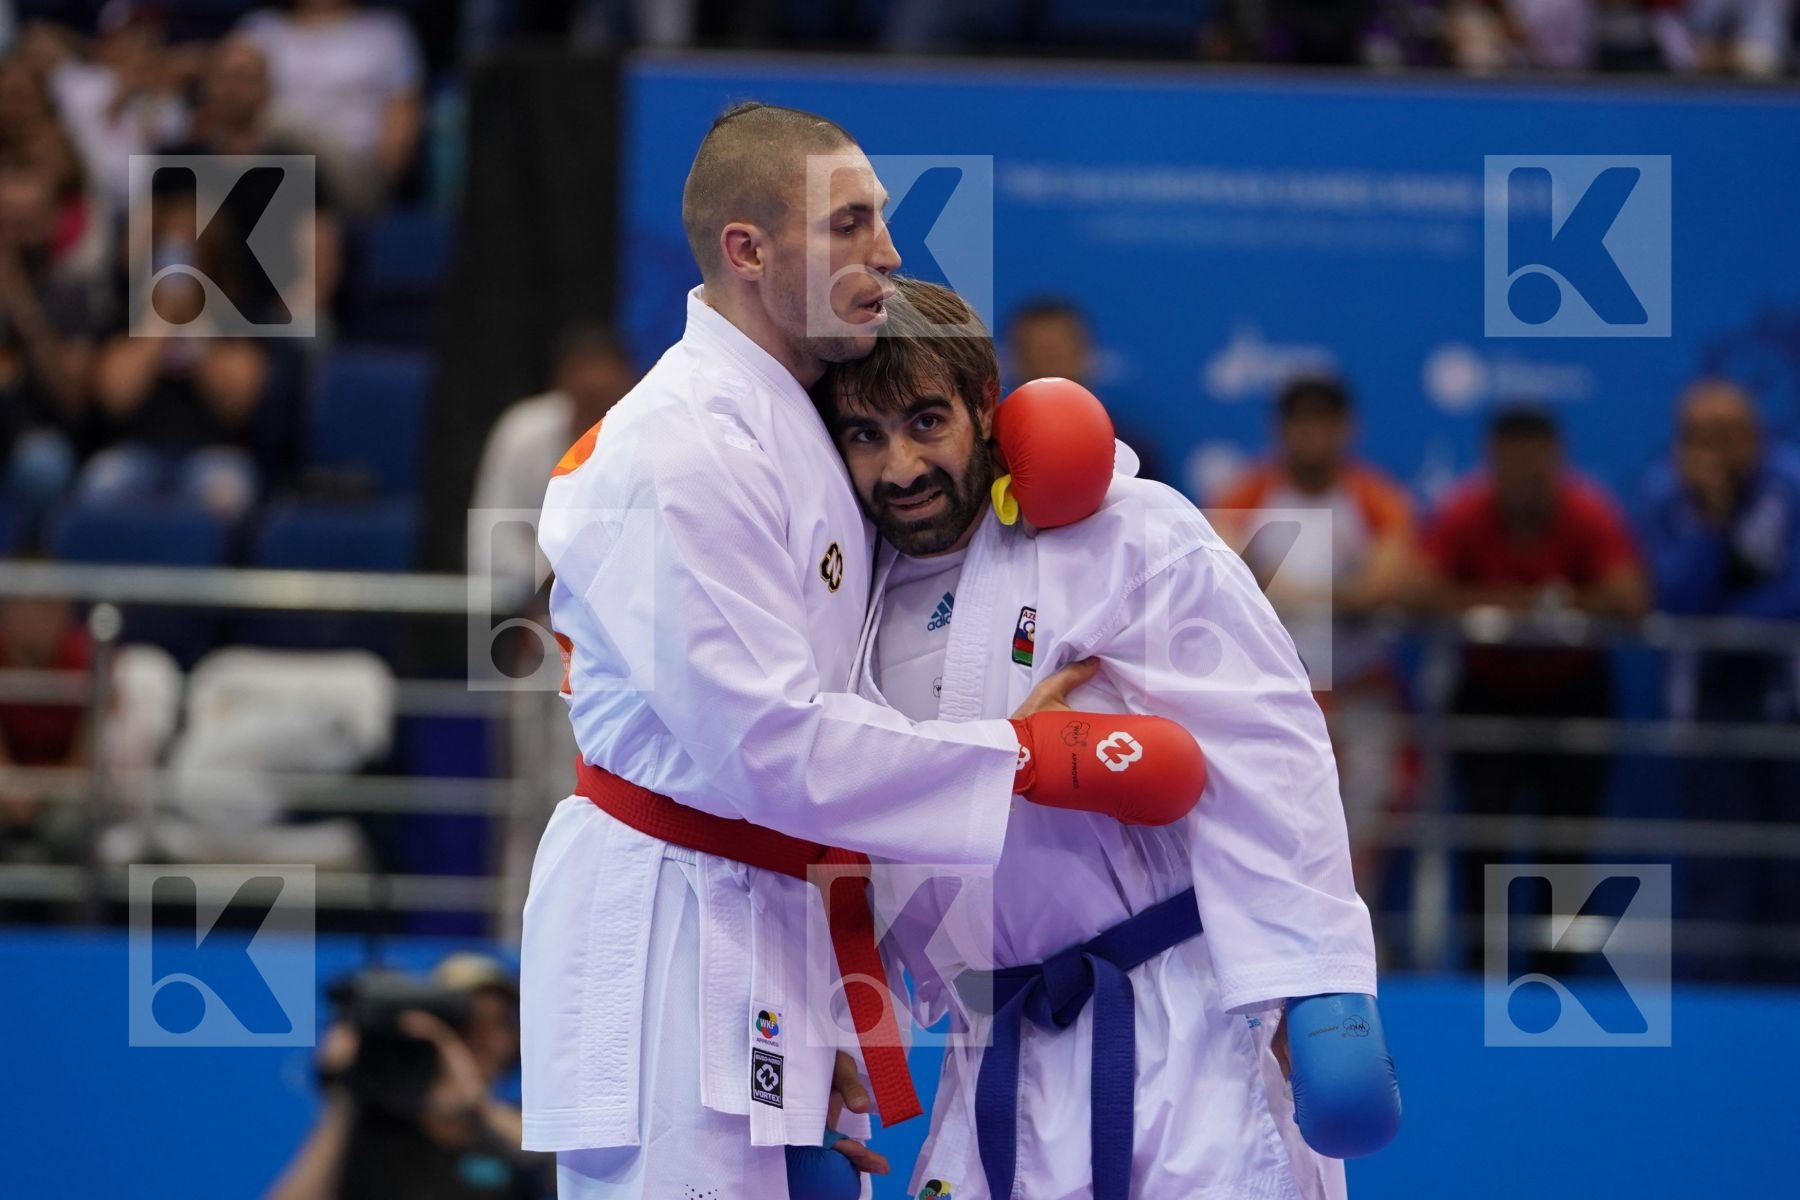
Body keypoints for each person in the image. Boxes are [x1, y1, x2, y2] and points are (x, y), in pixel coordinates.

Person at [523, 103, 1206, 1199]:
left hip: (761, 914)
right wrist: (1022, 756)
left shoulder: (792, 419)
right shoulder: (681, 448)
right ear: (749, 250)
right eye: (851, 223)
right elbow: (768, 742)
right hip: (670, 935)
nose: (888, 251)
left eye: (879, 220)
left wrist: (830, 1011)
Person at [815, 277, 1395, 1200]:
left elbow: (1266, 744)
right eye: (865, 435)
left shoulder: (1126, 535)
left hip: (1177, 1025)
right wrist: (829, 1052)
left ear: (984, 407)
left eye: (927, 422)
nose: (901, 468)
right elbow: (835, 833)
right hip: (992, 1039)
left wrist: (1314, 978)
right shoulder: (845, 593)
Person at [1417, 406, 1647, 962]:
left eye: (1534, 469)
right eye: (1511, 467)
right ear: (1492, 463)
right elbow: (1418, 593)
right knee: (1483, 840)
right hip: (1488, 694)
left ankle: (1558, 974)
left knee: (1567, 846)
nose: (1523, 480)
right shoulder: (1465, 511)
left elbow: (1632, 600)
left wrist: (1559, 603)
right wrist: (1503, 602)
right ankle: (1479, 970)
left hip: (1574, 693)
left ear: (1556, 462)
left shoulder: (1588, 512)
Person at [1212, 375, 1416, 897]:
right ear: (1279, 429)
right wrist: (1339, 590)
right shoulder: (1244, 495)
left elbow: (1381, 589)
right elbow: (1222, 582)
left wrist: (1272, 583)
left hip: (1356, 691)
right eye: (1300, 422)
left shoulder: (1379, 501)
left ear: (1347, 428)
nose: (1313, 436)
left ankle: (1359, 934)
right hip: (1271, 694)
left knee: (1361, 825)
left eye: (1324, 422)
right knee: (1269, 826)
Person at [1640, 379, 1800, 981]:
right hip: (1707, 705)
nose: (1714, 452)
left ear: (1757, 438)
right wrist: (1711, 524)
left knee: (1790, 869)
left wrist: (1723, 623)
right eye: (1699, 438)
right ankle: (1718, 1004)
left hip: (1788, 704)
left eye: (1727, 437)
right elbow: (1675, 599)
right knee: (1718, 865)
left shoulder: (1791, 484)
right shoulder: (1663, 493)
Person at [267, 954, 551, 1200]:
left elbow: (549, 1165)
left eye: (498, 1022)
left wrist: (476, 1104)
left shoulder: (523, 1128)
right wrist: (344, 1096)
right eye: (467, 1022)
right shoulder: (375, 1127)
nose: (482, 1039)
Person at [469, 325, 633, 597]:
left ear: (627, 382)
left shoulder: (649, 437)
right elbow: (488, 547)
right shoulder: (523, 432)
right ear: (560, 381)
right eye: (585, 396)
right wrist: (553, 573)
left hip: (625, 604)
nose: (592, 394)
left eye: (602, 397)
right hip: (533, 606)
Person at [238, 0, 425, 214]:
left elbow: (400, 131)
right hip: (266, 166)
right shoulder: (261, 29)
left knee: (275, 121)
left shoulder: (385, 33)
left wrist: (381, 185)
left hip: (352, 171)